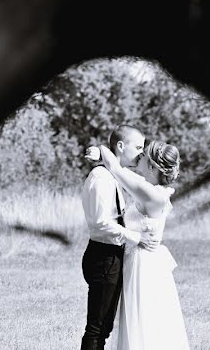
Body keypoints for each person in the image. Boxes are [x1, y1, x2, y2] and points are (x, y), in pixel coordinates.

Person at [86, 139, 190, 350]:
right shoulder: (149, 188)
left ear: (152, 166)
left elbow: (115, 168)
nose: (139, 156)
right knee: (135, 320)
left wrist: (101, 148)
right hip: (136, 259)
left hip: (145, 265)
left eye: (143, 155)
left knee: (144, 320)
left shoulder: (152, 194)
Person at [80, 125, 159, 350]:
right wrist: (137, 237)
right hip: (103, 256)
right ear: (121, 147)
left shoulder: (113, 174)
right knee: (96, 328)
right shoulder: (101, 177)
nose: (141, 152)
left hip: (111, 255)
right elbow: (101, 223)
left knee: (104, 328)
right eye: (138, 147)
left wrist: (99, 150)